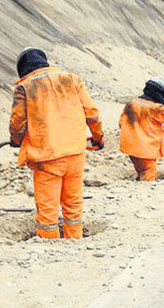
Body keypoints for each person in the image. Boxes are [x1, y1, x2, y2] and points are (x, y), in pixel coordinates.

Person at [10, 47, 104, 239]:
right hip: (76, 154)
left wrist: (16, 140)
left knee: (47, 209)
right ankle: (74, 240)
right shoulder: (71, 79)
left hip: (47, 157)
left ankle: (50, 248)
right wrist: (97, 136)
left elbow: (18, 124)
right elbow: (92, 113)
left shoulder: (25, 87)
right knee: (73, 204)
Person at [119, 77, 164, 181]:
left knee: (140, 171)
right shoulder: (155, 108)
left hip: (130, 148)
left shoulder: (131, 104)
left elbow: (121, 123)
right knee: (148, 175)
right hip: (147, 150)